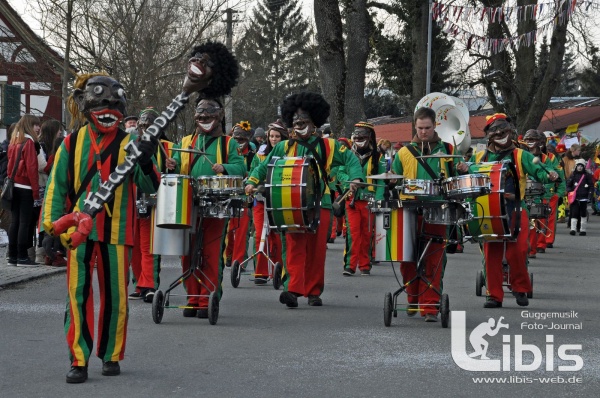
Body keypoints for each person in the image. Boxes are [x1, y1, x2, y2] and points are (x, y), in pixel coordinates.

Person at [42, 72, 161, 383]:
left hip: (117, 231)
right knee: (77, 295)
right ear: (84, 105)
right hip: (77, 232)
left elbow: (150, 186)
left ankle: (111, 353)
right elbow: (57, 187)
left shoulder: (131, 142)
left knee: (115, 296)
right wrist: (50, 229)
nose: (108, 108)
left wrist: (147, 163)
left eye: (114, 102)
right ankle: (78, 359)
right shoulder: (70, 142)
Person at [244, 92, 365, 308]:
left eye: (305, 121)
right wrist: (252, 181)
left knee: (317, 249)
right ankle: (293, 289)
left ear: (314, 122)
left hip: (322, 202)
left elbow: (350, 159)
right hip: (291, 203)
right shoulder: (282, 147)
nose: (300, 125)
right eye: (296, 121)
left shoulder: (330, 145)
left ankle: (314, 291)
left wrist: (356, 178)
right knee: (294, 246)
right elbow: (264, 167)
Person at [164, 41, 243, 319]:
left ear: (220, 114)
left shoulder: (227, 143)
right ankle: (192, 297)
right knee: (187, 252)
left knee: (210, 252)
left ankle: (208, 297)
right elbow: (171, 172)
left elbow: (241, 167)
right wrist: (170, 165)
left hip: (216, 205)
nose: (204, 116)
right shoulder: (184, 141)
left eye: (210, 112)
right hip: (187, 203)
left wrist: (226, 167)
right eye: (200, 112)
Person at [457, 113, 559, 309]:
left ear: (511, 132)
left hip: (515, 210)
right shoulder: (480, 156)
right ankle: (494, 295)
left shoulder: (522, 155)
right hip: (488, 209)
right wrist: (462, 168)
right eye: (495, 130)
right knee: (491, 253)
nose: (500, 134)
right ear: (488, 135)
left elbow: (539, 171)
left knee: (519, 251)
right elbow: (469, 173)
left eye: (504, 130)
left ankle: (520, 288)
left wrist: (550, 175)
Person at [391, 107, 456, 322]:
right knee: (407, 259)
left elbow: (456, 179)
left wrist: (464, 168)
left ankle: (430, 307)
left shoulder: (448, 150)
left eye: (427, 128)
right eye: (420, 128)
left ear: (435, 125)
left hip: (438, 209)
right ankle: (412, 298)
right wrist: (391, 182)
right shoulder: (403, 153)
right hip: (409, 210)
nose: (423, 132)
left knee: (433, 259)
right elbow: (393, 180)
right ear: (414, 126)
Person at [129, 107, 174, 302]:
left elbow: (176, 174)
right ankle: (139, 283)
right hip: (132, 199)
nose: (146, 127)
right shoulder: (132, 144)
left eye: (150, 125)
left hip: (154, 201)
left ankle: (149, 284)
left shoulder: (168, 146)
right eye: (143, 125)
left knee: (149, 246)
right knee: (134, 246)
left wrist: (174, 165)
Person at [338, 122, 385, 276]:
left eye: (363, 135)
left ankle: (365, 264)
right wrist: (349, 180)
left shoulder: (378, 157)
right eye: (356, 135)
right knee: (353, 233)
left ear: (369, 137)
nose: (359, 138)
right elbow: (339, 172)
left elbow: (381, 181)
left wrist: (377, 200)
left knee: (367, 234)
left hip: (370, 201)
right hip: (352, 200)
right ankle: (350, 265)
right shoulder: (347, 154)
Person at [250, 119, 287, 284]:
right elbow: (254, 170)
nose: (274, 139)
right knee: (260, 234)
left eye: (277, 136)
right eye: (271, 136)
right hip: (260, 198)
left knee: (277, 236)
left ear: (283, 138)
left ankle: (279, 269)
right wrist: (251, 183)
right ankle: (261, 272)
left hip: (278, 199)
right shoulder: (260, 153)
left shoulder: (287, 153)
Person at [521, 130, 565, 256]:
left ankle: (541, 244)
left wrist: (559, 193)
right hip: (524, 192)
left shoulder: (549, 158)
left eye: (534, 140)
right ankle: (529, 247)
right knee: (526, 222)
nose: (531, 143)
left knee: (540, 220)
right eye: (528, 140)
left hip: (544, 193)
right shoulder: (521, 154)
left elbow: (558, 175)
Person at [6, 114, 41, 266]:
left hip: (14, 186)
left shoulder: (14, 141)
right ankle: (22, 256)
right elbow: (32, 169)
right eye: (35, 125)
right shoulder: (29, 142)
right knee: (24, 223)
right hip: (26, 187)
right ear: (29, 125)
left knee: (15, 222)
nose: (38, 127)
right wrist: (35, 191)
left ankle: (12, 256)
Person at [224, 121, 255, 271]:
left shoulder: (253, 154)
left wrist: (251, 177)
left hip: (245, 197)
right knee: (229, 230)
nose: (238, 142)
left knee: (242, 231)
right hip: (228, 195)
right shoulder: (227, 151)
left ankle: (239, 261)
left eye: (241, 139)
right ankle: (228, 255)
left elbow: (256, 171)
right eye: (236, 139)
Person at [567, 159, 593, 236]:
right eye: (578, 166)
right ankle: (573, 229)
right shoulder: (573, 175)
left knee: (583, 213)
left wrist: (589, 196)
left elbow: (591, 186)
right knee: (574, 213)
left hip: (584, 198)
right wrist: (570, 191)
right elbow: (568, 185)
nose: (580, 168)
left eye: (581, 166)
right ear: (576, 166)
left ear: (583, 167)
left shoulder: (587, 176)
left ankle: (583, 229)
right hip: (575, 198)